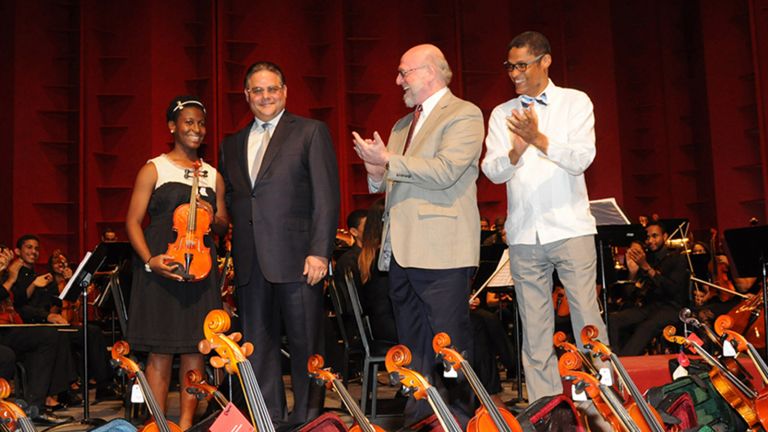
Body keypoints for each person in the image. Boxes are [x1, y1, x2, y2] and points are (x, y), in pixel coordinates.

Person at [352, 44, 484, 426]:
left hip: (443, 250)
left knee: (449, 345)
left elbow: (445, 170)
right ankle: (420, 418)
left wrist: (389, 161)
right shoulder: (400, 126)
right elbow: (386, 182)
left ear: (430, 72)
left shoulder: (464, 114)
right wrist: (374, 168)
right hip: (401, 251)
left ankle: (457, 418)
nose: (398, 80)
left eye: (403, 72)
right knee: (412, 346)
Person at [481, 31, 608, 403]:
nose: (514, 73)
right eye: (510, 66)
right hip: (523, 235)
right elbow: (491, 170)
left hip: (570, 228)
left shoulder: (575, 102)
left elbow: (582, 158)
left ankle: (602, 401)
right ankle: (547, 408)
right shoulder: (502, 113)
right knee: (535, 331)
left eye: (522, 65)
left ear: (545, 60)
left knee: (587, 322)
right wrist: (516, 152)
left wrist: (539, 139)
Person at [218, 61, 340, 427]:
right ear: (246, 96)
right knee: (257, 348)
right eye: (257, 90)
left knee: (306, 346)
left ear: (285, 91)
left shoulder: (310, 132)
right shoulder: (231, 143)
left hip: (300, 259)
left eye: (272, 89)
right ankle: (269, 418)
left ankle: (308, 419)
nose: (265, 96)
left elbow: (327, 197)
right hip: (250, 261)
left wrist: (320, 251)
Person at [125, 95, 228, 430]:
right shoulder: (154, 168)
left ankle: (185, 424)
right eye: (188, 122)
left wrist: (215, 218)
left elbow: (224, 223)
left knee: (195, 350)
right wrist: (149, 261)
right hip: (161, 268)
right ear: (172, 127)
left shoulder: (213, 175)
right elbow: (132, 222)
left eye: (200, 123)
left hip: (201, 271)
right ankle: (158, 424)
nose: (196, 129)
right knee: (160, 352)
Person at [1, 238, 75, 425]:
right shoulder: (11, 274)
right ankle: (38, 405)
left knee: (50, 335)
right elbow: (20, 303)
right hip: (5, 330)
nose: (3, 258)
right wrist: (10, 278)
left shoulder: (11, 273)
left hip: (13, 327)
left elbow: (19, 301)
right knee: (47, 335)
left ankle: (36, 405)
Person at [609, 222, 690, 355]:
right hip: (650, 307)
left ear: (664, 236)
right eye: (648, 237)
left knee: (646, 327)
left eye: (655, 236)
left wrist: (646, 267)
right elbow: (631, 295)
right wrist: (633, 272)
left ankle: (625, 364)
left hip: (672, 308)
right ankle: (615, 359)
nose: (651, 240)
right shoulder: (647, 258)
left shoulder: (677, 258)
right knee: (613, 319)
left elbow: (672, 289)